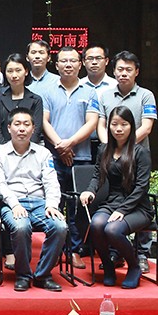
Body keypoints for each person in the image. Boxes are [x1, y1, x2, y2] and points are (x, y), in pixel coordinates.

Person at [0, 107, 67, 292]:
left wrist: (52, 205)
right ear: (9, 128)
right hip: (12, 203)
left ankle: (42, 275)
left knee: (60, 227)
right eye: (17, 124)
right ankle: (23, 275)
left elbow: (51, 182)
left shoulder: (43, 153)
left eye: (26, 124)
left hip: (40, 203)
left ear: (33, 128)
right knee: (21, 227)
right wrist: (15, 204)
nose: (22, 128)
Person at [96, 50, 157, 272]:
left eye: (128, 70)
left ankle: (141, 254)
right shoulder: (105, 95)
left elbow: (147, 127)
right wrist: (109, 147)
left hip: (137, 156)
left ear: (136, 72)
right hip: (112, 157)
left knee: (138, 198)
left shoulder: (146, 95)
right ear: (113, 71)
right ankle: (116, 252)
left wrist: (124, 146)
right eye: (120, 69)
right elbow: (101, 124)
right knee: (114, 200)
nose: (123, 73)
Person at [41, 46, 100, 270]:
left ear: (80, 64)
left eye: (73, 61)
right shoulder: (48, 91)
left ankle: (74, 250)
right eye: (63, 61)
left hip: (81, 157)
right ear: (56, 65)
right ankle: (56, 250)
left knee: (78, 206)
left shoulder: (90, 92)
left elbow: (92, 123)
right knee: (55, 202)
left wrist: (70, 143)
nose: (68, 65)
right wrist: (60, 146)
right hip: (54, 157)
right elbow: (44, 121)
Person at [80, 106, 153, 289]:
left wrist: (123, 210)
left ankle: (134, 266)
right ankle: (108, 266)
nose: (118, 129)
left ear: (131, 126)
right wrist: (90, 191)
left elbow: (142, 187)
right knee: (96, 225)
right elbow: (97, 176)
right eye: (114, 124)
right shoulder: (104, 149)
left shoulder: (140, 152)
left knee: (112, 230)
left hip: (137, 206)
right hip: (112, 202)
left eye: (123, 124)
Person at [0, 53, 44, 148]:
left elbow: (36, 131)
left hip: (30, 151)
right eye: (10, 71)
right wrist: (5, 151)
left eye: (18, 70)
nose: (14, 75)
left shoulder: (36, 100)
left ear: (26, 71)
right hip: (3, 152)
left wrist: (26, 151)